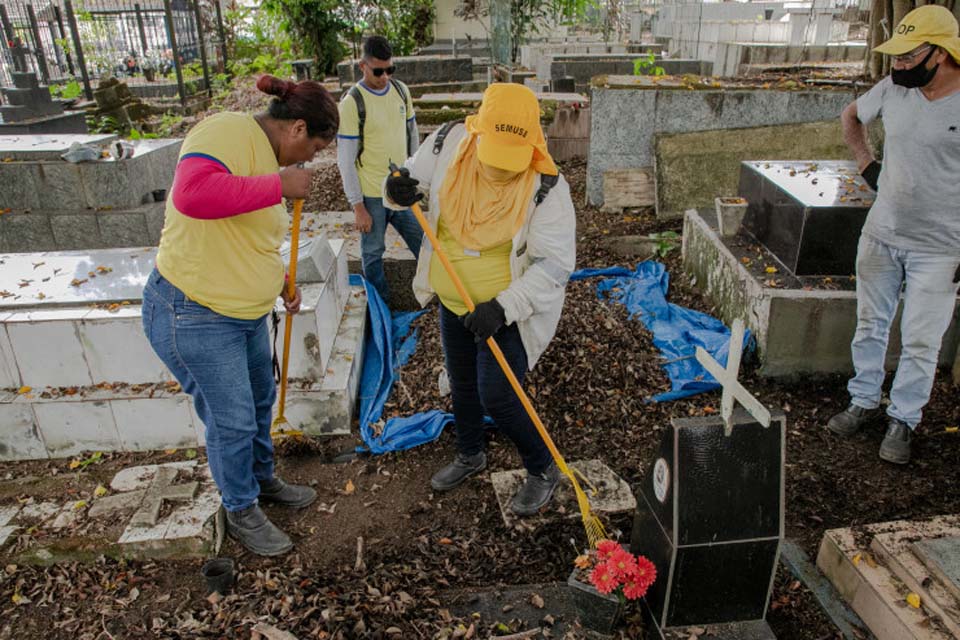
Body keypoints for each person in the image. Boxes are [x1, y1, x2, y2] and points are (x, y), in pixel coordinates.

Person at [141, 75, 339, 555]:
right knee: (230, 421)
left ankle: (262, 480)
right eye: (312, 148)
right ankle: (241, 507)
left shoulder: (268, 156)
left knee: (256, 405)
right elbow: (193, 196)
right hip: (195, 313)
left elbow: (247, 236)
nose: (309, 160)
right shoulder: (225, 131)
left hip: (244, 314)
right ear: (294, 128)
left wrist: (280, 282)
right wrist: (278, 185)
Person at [384, 83, 576, 515]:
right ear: (477, 131)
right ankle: (470, 453)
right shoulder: (447, 145)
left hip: (502, 311)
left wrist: (501, 308)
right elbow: (407, 182)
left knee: (499, 394)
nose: (502, 168)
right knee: (462, 381)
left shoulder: (547, 187)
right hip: (452, 300)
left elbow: (555, 267)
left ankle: (543, 468)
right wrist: (394, 191)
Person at [827, 5, 960, 465]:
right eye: (895, 57)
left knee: (921, 338)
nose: (897, 65)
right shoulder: (893, 89)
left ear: (940, 54)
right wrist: (869, 167)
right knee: (870, 323)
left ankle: (904, 417)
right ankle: (863, 398)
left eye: (907, 57)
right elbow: (851, 118)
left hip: (942, 247)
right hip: (882, 233)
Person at [337, 35, 423, 304]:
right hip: (372, 194)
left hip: (400, 189)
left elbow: (413, 135)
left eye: (390, 69)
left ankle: (433, 294)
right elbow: (346, 159)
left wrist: (415, 175)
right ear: (362, 66)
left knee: (424, 244)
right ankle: (380, 306)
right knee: (372, 253)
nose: (385, 76)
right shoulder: (352, 104)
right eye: (378, 71)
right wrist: (357, 206)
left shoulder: (400, 91)